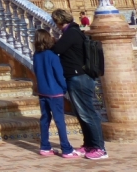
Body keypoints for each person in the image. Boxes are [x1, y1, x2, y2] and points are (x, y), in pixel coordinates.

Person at [50, 9, 107, 160]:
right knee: (82, 114)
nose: (55, 25)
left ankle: (99, 147)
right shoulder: (72, 32)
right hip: (76, 77)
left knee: (87, 113)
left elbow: (57, 49)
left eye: (55, 22)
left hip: (79, 77)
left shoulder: (71, 33)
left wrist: (51, 42)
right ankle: (89, 144)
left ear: (60, 21)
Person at [33, 28, 79, 158]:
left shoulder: (36, 55)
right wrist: (64, 88)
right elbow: (59, 74)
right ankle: (66, 148)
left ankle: (45, 146)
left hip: (43, 91)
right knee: (59, 121)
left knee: (45, 119)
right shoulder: (53, 56)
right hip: (55, 92)